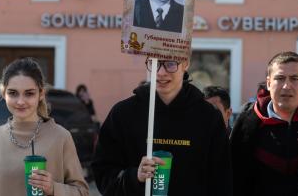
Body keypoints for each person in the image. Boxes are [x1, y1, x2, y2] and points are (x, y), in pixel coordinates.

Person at [92, 58, 232, 196]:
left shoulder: (208, 117)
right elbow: (103, 173)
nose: (161, 72)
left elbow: (222, 181)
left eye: (170, 64)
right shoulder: (123, 114)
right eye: (155, 63)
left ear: (186, 63)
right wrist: (135, 177)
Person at [0, 57, 88, 196]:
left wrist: (54, 188)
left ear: (41, 94)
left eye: (29, 93)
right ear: (4, 94)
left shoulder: (61, 137)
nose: (20, 101)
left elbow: (82, 192)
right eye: (13, 93)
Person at [230, 51, 298, 196]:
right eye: (280, 78)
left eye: (294, 78)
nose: (286, 86)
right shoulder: (247, 122)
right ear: (269, 83)